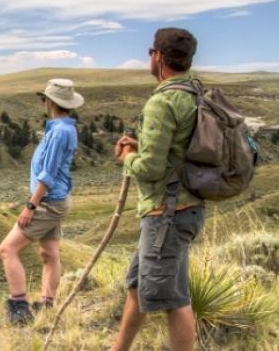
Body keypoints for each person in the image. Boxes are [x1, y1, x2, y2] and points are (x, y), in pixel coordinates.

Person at [112, 28, 204, 351]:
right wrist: (143, 144)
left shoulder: (162, 101)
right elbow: (177, 150)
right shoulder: (193, 93)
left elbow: (150, 169)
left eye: (151, 52)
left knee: (173, 297)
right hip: (183, 208)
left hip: (166, 213)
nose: (149, 57)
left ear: (160, 57)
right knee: (138, 285)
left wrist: (128, 156)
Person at [0, 78, 83, 325]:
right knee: (49, 253)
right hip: (57, 199)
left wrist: (31, 205)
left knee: (8, 249)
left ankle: (19, 308)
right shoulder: (64, 127)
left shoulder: (59, 131)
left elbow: (49, 173)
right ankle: (46, 305)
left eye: (45, 99)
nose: (44, 102)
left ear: (50, 102)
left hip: (48, 201)